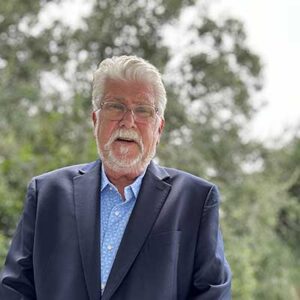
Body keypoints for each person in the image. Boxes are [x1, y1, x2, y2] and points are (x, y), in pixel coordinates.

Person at [0, 55, 231, 299]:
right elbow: (15, 289)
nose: (128, 121)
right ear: (95, 120)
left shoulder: (196, 200)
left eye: (143, 110)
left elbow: (213, 293)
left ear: (159, 128)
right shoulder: (47, 193)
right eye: (115, 106)